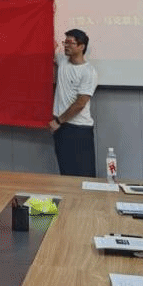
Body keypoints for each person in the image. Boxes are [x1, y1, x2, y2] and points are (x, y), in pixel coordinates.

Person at [47, 29, 97, 177]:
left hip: (79, 129)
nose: (66, 46)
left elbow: (80, 103)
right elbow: (50, 45)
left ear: (81, 47)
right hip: (62, 128)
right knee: (66, 172)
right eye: (65, 42)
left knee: (83, 175)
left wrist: (58, 121)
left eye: (70, 43)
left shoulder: (89, 72)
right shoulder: (63, 60)